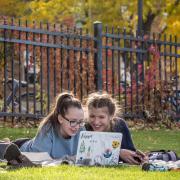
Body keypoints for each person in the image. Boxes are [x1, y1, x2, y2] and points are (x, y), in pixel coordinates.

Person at [0, 92, 85, 162]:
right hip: (23, 149)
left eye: (80, 122)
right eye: (73, 122)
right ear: (61, 119)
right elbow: (42, 159)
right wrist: (67, 159)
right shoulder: (48, 128)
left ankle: (6, 142)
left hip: (35, 142)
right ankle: (6, 143)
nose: (77, 126)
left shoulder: (82, 130)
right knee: (5, 149)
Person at [85, 92, 147, 165]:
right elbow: (84, 154)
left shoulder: (120, 125)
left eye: (101, 117)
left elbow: (129, 151)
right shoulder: (84, 128)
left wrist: (138, 157)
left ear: (111, 115)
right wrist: (118, 152)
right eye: (92, 116)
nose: (96, 122)